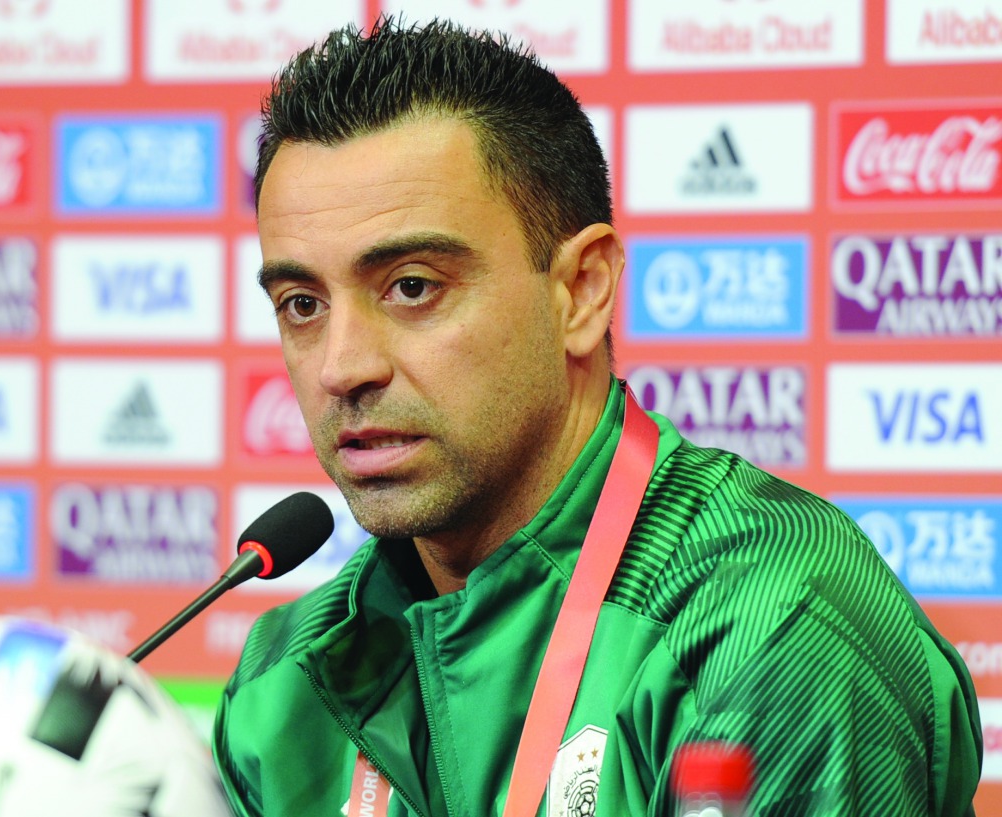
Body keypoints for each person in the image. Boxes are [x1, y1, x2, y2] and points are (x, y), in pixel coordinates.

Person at [212, 16, 983, 817]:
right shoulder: (283, 684)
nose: (341, 367)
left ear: (581, 290)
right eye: (301, 304)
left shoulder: (770, 629)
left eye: (413, 286)